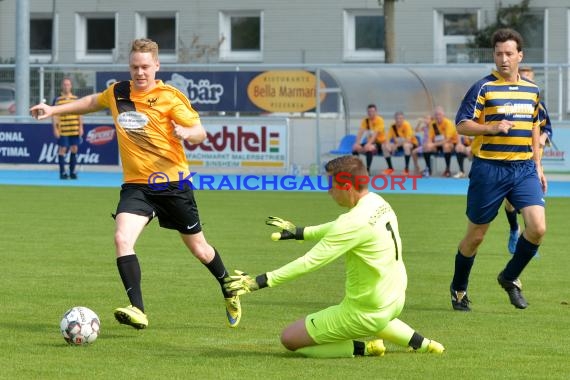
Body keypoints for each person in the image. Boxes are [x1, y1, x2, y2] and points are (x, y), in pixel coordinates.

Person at [31, 38, 241, 329]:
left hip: (173, 186)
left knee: (200, 250)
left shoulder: (170, 97)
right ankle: (138, 309)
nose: (140, 72)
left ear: (157, 65)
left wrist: (185, 132)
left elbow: (200, 133)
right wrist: (53, 110)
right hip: (137, 187)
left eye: (145, 67)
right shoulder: (118, 91)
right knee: (121, 239)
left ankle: (228, 287)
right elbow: (93, 101)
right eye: (134, 67)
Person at [223, 155, 445, 358]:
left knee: (289, 338)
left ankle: (366, 348)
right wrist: (301, 232)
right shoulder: (377, 202)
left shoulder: (352, 223)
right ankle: (425, 344)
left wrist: (258, 282)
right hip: (395, 298)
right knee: (378, 317)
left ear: (347, 186)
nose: (329, 191)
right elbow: (341, 226)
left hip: (364, 311)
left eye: (332, 185)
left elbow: (309, 262)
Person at [449, 28, 547, 312]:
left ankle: (510, 276)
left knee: (538, 227)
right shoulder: (483, 87)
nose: (503, 59)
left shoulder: (532, 90)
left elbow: (534, 127)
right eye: (498, 54)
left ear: (520, 55)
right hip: (489, 170)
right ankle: (459, 287)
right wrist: (490, 127)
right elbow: (462, 124)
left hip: (524, 168)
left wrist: (539, 167)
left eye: (509, 53)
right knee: (476, 236)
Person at [504, 65, 553, 254]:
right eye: (523, 76)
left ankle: (529, 239)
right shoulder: (506, 100)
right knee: (509, 204)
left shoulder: (536, 100)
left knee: (530, 201)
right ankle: (514, 229)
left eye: (529, 77)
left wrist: (542, 138)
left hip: (531, 158)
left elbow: (548, 128)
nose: (525, 80)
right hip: (510, 157)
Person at [52, 77, 84, 179]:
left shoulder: (75, 99)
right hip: (63, 130)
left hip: (74, 128)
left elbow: (80, 113)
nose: (66, 86)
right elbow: (54, 115)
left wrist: (81, 127)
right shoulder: (57, 100)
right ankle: (62, 173)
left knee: (74, 149)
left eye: (68, 84)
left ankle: (72, 172)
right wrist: (55, 128)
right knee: (62, 149)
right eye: (65, 84)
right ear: (62, 86)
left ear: (71, 86)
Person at [351, 104, 390, 175]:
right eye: (369, 111)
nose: (370, 113)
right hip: (371, 143)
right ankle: (356, 168)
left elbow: (375, 134)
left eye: (372, 111)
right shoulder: (365, 121)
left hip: (380, 143)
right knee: (354, 148)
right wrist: (357, 143)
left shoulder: (379, 120)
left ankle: (367, 170)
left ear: (376, 112)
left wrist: (368, 144)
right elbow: (360, 132)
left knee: (369, 148)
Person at [422, 106, 457, 177]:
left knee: (446, 146)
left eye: (439, 114)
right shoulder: (433, 124)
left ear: (443, 115)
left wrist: (433, 144)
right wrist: (429, 144)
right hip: (437, 144)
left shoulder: (448, 123)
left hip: (450, 143)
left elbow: (447, 139)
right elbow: (430, 137)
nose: (438, 116)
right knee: (426, 147)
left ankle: (447, 169)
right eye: (436, 114)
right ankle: (428, 169)